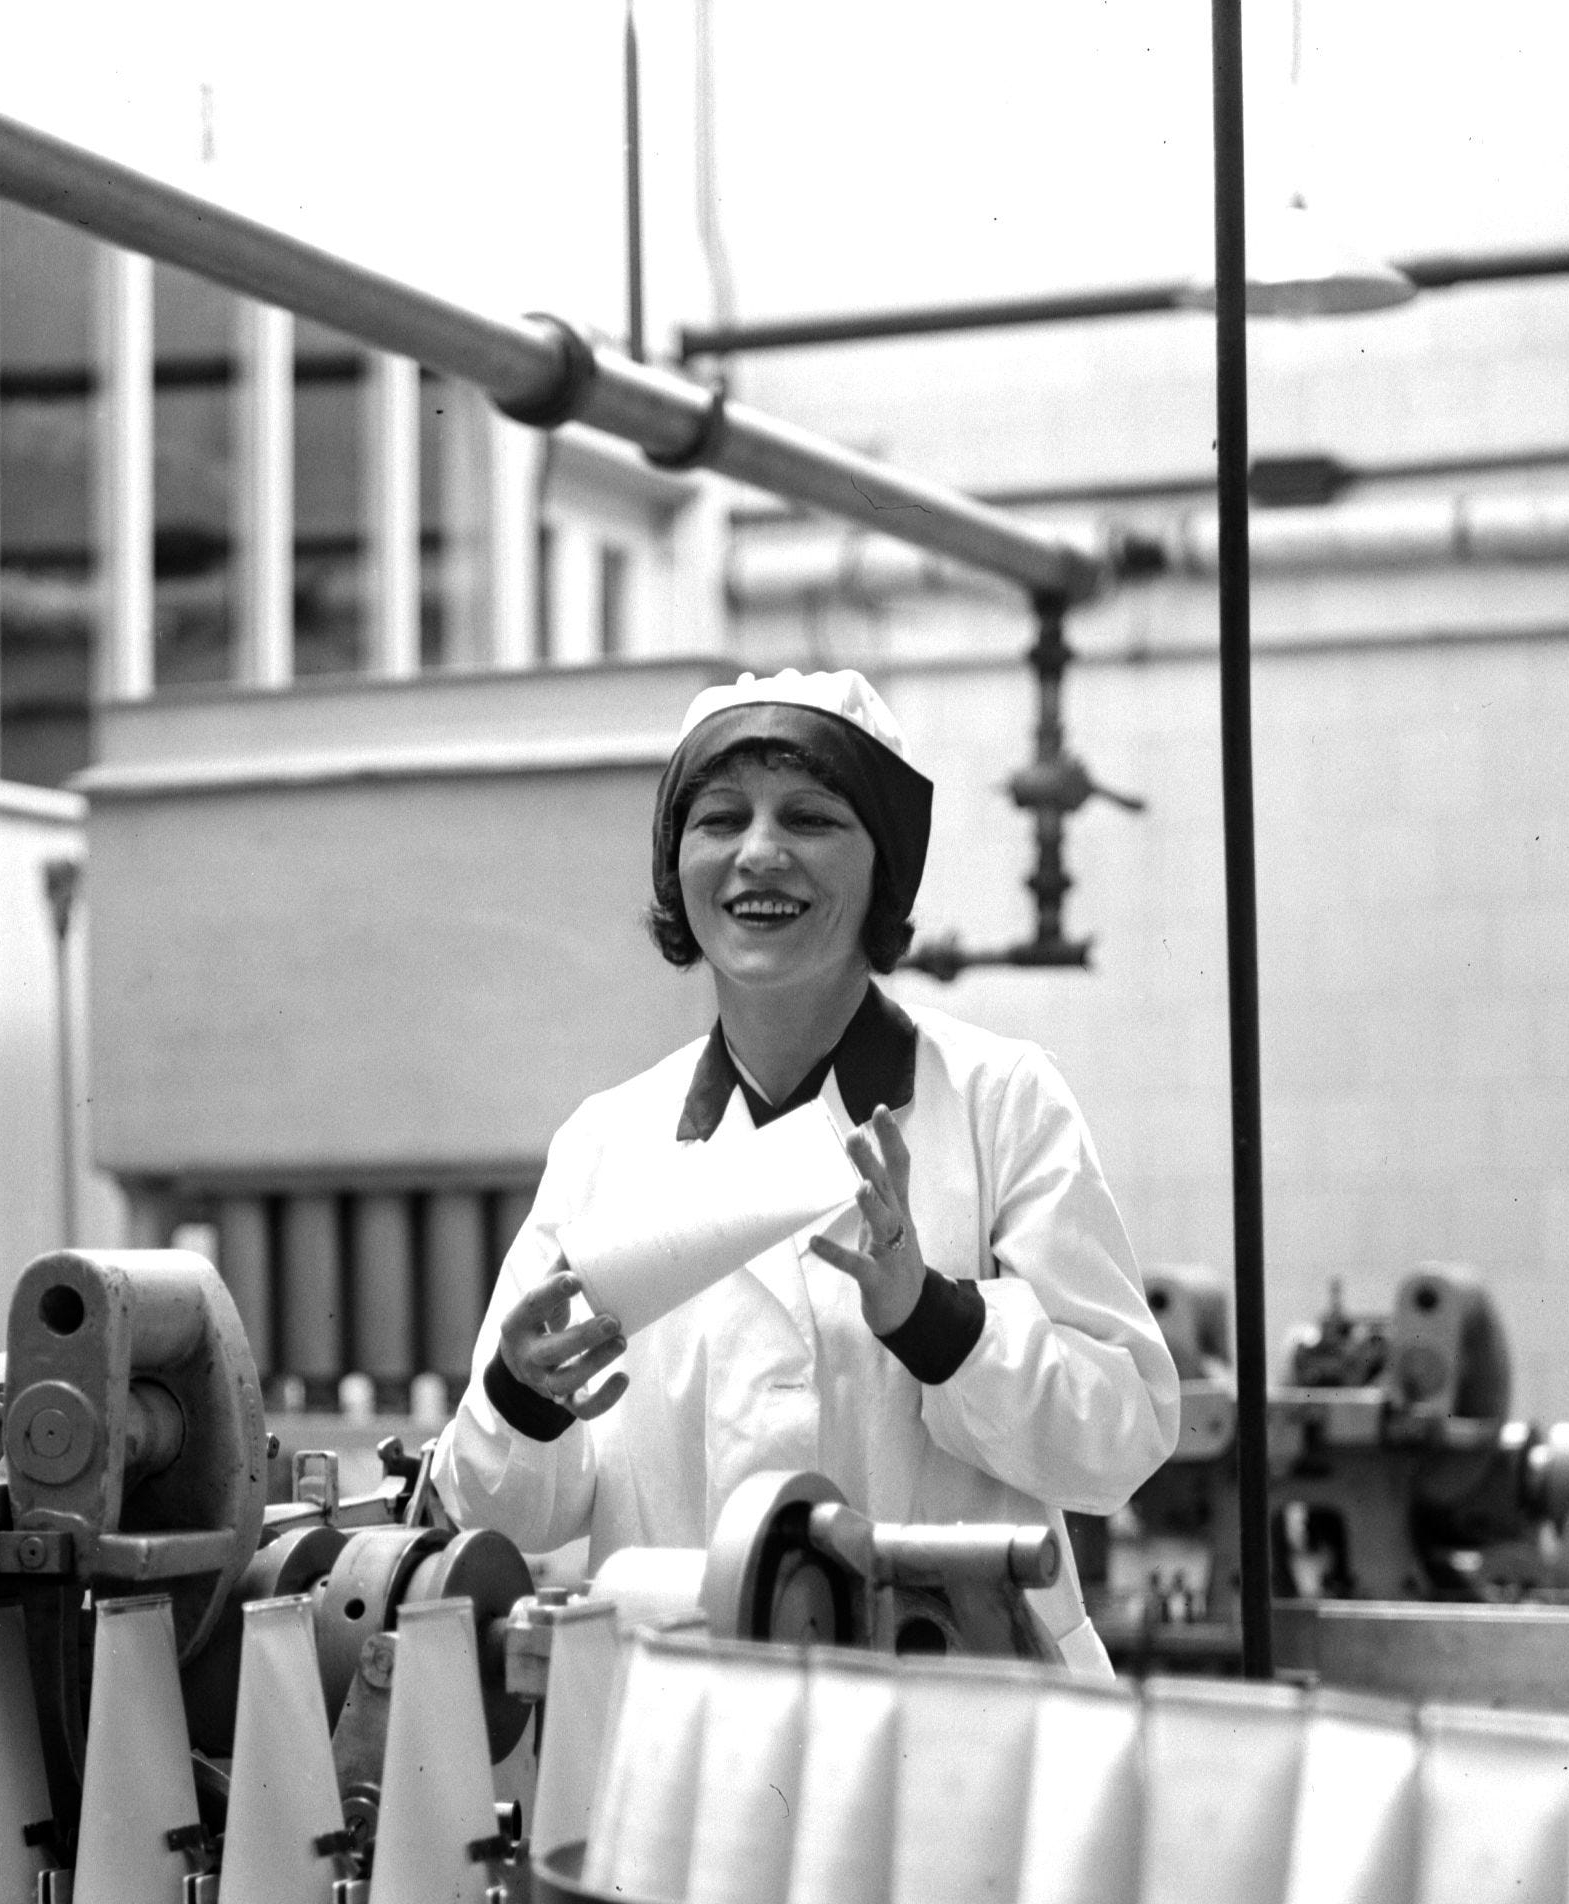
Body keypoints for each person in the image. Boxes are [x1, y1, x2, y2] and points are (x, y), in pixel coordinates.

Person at [430, 669, 1178, 1672]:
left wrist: (934, 1321)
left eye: (812, 816)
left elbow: (1122, 1433)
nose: (758, 853)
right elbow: (512, 1510)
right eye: (720, 816)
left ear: (885, 869)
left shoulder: (1000, 1101)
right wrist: (520, 1397)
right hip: (689, 1719)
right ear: (674, 865)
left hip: (953, 1717)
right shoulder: (609, 1143)